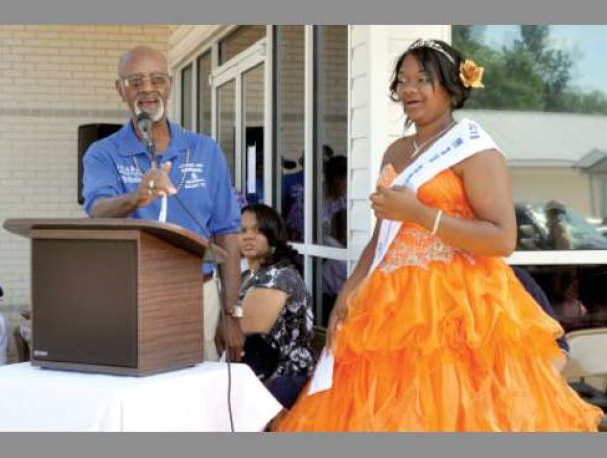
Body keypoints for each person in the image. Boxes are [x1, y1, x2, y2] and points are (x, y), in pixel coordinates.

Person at [274, 38, 602, 431]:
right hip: (387, 302)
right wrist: (351, 287)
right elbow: (384, 234)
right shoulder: (395, 152)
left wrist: (420, 214)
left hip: (456, 303)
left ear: (451, 86)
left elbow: (502, 239)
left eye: (422, 79)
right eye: (403, 80)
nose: (409, 89)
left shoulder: (475, 151)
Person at [82, 46, 243, 362]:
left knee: (195, 385)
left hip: (198, 295)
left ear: (169, 86)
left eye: (157, 79)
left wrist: (232, 312)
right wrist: (137, 197)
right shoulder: (103, 153)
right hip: (130, 296)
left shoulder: (205, 150)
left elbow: (227, 231)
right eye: (135, 82)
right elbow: (97, 209)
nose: (147, 89)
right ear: (120, 90)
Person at [237, 204, 315, 409]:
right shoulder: (248, 276)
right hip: (256, 371)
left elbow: (244, 333)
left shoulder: (278, 276)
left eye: (257, 230)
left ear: (272, 235)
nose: (248, 236)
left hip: (283, 375)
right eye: (242, 230)